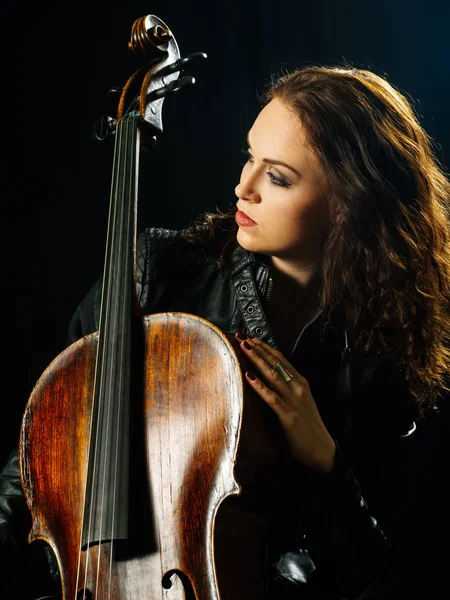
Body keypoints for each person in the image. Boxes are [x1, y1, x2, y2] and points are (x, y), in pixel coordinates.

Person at [1, 64, 450, 600]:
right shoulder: (158, 272)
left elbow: (375, 571)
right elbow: (35, 471)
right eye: (249, 157)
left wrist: (324, 461)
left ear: (350, 205)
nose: (244, 187)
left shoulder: (382, 350)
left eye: (278, 177)